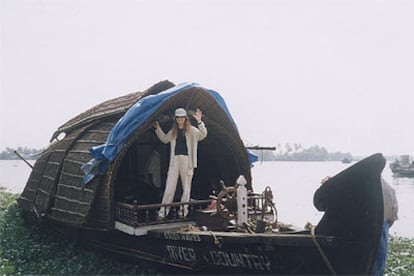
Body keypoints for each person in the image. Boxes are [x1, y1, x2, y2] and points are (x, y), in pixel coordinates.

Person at [154, 107, 207, 219]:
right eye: (178, 118)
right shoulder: (173, 131)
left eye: (182, 118)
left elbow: (203, 135)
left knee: (186, 188)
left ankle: (183, 212)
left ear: (185, 118)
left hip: (187, 161)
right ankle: (162, 213)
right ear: (175, 119)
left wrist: (199, 121)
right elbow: (164, 139)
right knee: (170, 186)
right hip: (175, 160)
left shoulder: (192, 130)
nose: (180, 120)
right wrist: (158, 128)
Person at [372, 177, 398, 275]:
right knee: (378, 265)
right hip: (383, 224)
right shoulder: (389, 189)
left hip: (378, 225)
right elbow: (392, 217)